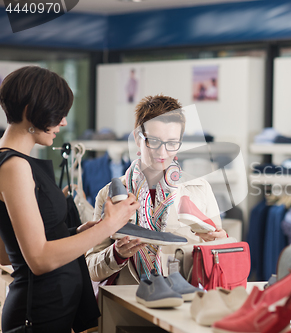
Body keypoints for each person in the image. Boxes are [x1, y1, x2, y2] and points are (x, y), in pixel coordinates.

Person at [0, 66, 140, 332]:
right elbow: (39, 259)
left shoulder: (13, 163)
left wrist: (76, 232)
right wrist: (107, 226)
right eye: (59, 113)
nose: (63, 122)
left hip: (50, 307)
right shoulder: (14, 167)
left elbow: (8, 253)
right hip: (39, 313)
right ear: (32, 110)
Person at [86, 94, 227, 285]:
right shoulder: (110, 193)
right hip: (126, 302)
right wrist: (117, 254)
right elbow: (91, 267)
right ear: (137, 138)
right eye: (153, 141)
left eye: (171, 143)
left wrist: (221, 241)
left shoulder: (199, 190)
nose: (162, 153)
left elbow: (221, 262)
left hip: (181, 301)